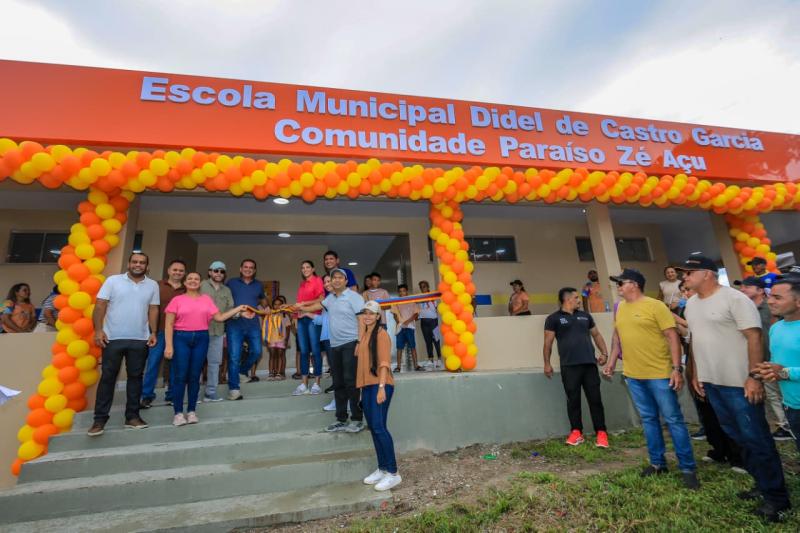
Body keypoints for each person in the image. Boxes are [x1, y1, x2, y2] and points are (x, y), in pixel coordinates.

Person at [680, 255, 790, 522]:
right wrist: (696, 373)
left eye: (689, 273)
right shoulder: (691, 304)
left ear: (707, 274)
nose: (685, 277)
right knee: (737, 436)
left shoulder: (735, 299)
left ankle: (777, 498)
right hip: (712, 383)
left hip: (740, 383)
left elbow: (754, 337)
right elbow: (695, 341)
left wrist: (754, 377)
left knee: (756, 438)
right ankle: (762, 484)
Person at [602, 268, 699, 490]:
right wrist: (611, 363)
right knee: (648, 419)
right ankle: (657, 463)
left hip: (659, 375)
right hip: (633, 375)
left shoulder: (656, 306)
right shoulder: (620, 308)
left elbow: (672, 337)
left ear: (634, 285)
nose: (618, 286)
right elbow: (617, 339)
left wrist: (676, 368)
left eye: (621, 283)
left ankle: (687, 468)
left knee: (673, 420)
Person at [88, 252, 159, 436]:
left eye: (142, 262)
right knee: (108, 378)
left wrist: (153, 332)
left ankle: (132, 417)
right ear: (128, 264)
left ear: (147, 266)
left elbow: (153, 309)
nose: (138, 265)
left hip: (140, 339)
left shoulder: (152, 285)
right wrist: (98, 330)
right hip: (112, 338)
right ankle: (99, 420)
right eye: (135, 262)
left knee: (135, 378)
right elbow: (100, 305)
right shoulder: (113, 281)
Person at [164, 272, 249, 426]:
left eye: (196, 279)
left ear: (200, 283)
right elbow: (169, 324)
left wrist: (238, 308)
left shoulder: (206, 299)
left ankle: (191, 412)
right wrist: (169, 345)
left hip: (202, 337)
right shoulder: (177, 300)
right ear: (185, 282)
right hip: (181, 338)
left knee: (194, 376)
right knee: (180, 376)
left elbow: (220, 317)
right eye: (190, 279)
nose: (193, 281)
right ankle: (178, 413)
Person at [675, 281, 744, 469]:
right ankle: (719, 450)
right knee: (707, 413)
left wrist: (677, 319)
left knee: (726, 416)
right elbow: (689, 337)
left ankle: (738, 456)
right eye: (683, 291)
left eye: (687, 290)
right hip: (696, 366)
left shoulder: (718, 304)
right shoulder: (688, 309)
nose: (685, 294)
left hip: (719, 369)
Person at [299, 268, 365, 433]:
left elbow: (362, 320)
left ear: (346, 281)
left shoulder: (354, 297)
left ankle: (357, 419)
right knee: (338, 383)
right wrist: (302, 307)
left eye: (340, 277)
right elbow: (318, 305)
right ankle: (341, 419)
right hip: (334, 345)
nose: (336, 280)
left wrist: (360, 342)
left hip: (351, 343)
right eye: (333, 277)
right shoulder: (330, 298)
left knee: (351, 381)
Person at [543, 287, 609, 448]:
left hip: (589, 364)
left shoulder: (585, 316)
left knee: (595, 400)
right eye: (577, 298)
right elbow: (548, 343)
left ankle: (601, 433)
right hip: (569, 366)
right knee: (573, 400)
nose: (579, 300)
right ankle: (576, 432)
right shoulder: (553, 318)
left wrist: (604, 353)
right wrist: (547, 363)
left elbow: (596, 335)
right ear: (567, 299)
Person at [357, 300, 402, 491]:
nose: (367, 316)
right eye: (364, 313)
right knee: (374, 428)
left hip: (380, 385)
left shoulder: (382, 335)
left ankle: (393, 473)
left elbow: (384, 363)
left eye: (371, 313)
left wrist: (381, 388)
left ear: (378, 316)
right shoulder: (366, 334)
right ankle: (382, 468)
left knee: (379, 427)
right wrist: (363, 392)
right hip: (367, 387)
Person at [740, 276, 792, 440]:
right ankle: (784, 425)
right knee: (772, 395)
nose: (743, 289)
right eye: (742, 287)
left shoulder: (774, 309)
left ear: (760, 290)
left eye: (747, 286)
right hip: (762, 360)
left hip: (781, 361)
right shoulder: (744, 309)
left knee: (785, 392)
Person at [759, 276, 800, 451]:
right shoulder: (776, 328)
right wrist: (767, 370)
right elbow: (777, 364)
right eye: (770, 296)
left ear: (798, 301)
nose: (770, 301)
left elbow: (783, 370)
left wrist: (784, 372)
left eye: (777, 297)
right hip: (791, 406)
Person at [140, 259, 186, 409]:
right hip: (158, 332)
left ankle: (171, 396)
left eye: (181, 270)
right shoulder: (157, 285)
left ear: (184, 273)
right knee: (153, 364)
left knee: (175, 366)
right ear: (169, 271)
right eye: (175, 270)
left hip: (179, 333)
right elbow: (148, 307)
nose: (177, 272)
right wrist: (150, 330)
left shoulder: (186, 289)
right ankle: (147, 396)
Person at [225, 259, 266, 400]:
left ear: (254, 270)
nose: (248, 269)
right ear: (240, 268)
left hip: (253, 325)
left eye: (251, 267)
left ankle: (242, 372)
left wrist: (266, 307)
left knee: (257, 351)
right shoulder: (231, 283)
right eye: (246, 267)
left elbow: (262, 299)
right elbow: (225, 301)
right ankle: (234, 389)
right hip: (234, 324)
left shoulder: (258, 285)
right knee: (234, 356)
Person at [199, 260, 234, 402]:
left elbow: (230, 310)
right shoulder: (200, 285)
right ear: (210, 272)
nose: (219, 273)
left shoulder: (227, 290)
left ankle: (210, 393)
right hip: (199, 330)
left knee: (214, 363)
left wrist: (242, 313)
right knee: (196, 363)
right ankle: (193, 395)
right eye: (216, 270)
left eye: (222, 271)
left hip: (218, 331)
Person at [292, 260, 325, 395]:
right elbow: (298, 305)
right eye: (303, 267)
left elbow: (321, 299)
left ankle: (317, 383)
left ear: (313, 269)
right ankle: (304, 384)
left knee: (316, 351)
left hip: (313, 318)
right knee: (303, 351)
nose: (305, 269)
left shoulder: (318, 280)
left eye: (307, 267)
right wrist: (295, 317)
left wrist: (304, 304)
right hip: (301, 319)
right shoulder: (302, 284)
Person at [391, 284, 421, 372]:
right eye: (400, 291)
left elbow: (416, 314)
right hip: (400, 328)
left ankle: (416, 365)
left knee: (412, 346)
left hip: (410, 327)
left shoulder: (412, 300)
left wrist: (408, 321)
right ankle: (398, 367)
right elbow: (394, 314)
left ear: (406, 291)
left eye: (403, 291)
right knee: (399, 348)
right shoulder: (396, 302)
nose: (402, 293)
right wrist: (399, 322)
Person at [417, 280, 442, 370]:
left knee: (436, 340)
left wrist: (428, 299)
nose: (422, 288)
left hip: (433, 322)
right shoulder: (419, 298)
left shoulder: (433, 296)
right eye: (421, 287)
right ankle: (430, 360)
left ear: (428, 287)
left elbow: (435, 307)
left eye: (424, 286)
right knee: (428, 341)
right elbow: (417, 307)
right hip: (424, 322)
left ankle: (439, 359)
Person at [265, 295, 291, 380]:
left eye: (279, 304)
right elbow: (266, 328)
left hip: (281, 339)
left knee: (280, 355)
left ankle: (279, 373)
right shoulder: (269, 315)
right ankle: (271, 373)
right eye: (275, 304)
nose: (277, 306)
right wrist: (267, 339)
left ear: (282, 306)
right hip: (272, 339)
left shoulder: (284, 315)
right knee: (272, 355)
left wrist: (286, 340)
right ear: (272, 305)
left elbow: (288, 328)